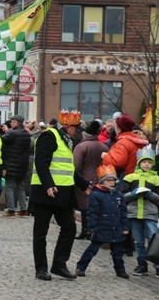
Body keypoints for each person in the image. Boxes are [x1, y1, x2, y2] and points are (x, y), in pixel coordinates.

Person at [30, 109, 92, 281]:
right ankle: (41, 268)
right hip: (45, 192)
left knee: (70, 228)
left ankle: (59, 264)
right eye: (75, 127)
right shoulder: (49, 136)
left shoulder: (67, 140)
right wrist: (48, 185)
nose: (77, 131)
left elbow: (68, 168)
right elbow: (41, 162)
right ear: (66, 125)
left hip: (63, 193)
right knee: (41, 232)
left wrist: (85, 185)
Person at [74, 164, 130, 278]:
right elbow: (92, 213)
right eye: (109, 180)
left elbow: (123, 212)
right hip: (101, 228)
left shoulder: (118, 195)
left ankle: (120, 270)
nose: (112, 183)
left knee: (117, 253)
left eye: (113, 180)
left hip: (116, 228)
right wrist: (92, 227)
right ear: (103, 181)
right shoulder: (96, 195)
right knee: (92, 250)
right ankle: (81, 267)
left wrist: (125, 226)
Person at [121, 149, 159, 276]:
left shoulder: (156, 179)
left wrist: (150, 194)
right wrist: (133, 194)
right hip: (134, 213)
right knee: (138, 241)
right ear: (139, 163)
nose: (147, 164)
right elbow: (122, 197)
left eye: (149, 162)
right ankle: (141, 265)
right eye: (144, 162)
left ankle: (157, 265)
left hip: (150, 214)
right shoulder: (130, 177)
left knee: (154, 239)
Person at [73, 120, 108, 240]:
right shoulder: (104, 146)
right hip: (100, 178)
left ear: (85, 135)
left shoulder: (81, 146)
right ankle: (94, 230)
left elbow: (76, 166)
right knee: (96, 205)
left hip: (84, 179)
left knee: (84, 206)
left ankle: (85, 230)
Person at [0, 114, 31, 217]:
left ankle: (11, 209)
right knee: (20, 187)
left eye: (12, 121)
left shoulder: (13, 133)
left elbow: (1, 139)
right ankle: (23, 209)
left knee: (9, 186)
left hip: (12, 164)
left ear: (17, 123)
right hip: (23, 165)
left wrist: (4, 131)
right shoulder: (26, 134)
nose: (11, 123)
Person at [102, 114, 148, 183]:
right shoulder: (132, 140)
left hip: (124, 179)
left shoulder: (123, 143)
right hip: (131, 178)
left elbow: (118, 163)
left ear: (119, 129)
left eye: (116, 127)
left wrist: (105, 157)